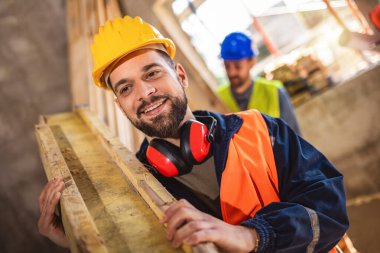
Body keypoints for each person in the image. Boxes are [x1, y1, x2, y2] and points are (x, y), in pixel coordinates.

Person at [38, 16, 348, 252]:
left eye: (152, 73)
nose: (145, 93)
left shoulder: (260, 129)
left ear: (181, 75)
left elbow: (329, 208)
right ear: (120, 106)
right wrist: (84, 239)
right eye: (126, 88)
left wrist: (251, 235)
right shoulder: (133, 189)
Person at [217, 32, 301, 135]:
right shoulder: (217, 98)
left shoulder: (274, 92)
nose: (231, 72)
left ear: (251, 62)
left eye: (237, 66)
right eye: (227, 66)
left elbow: (294, 138)